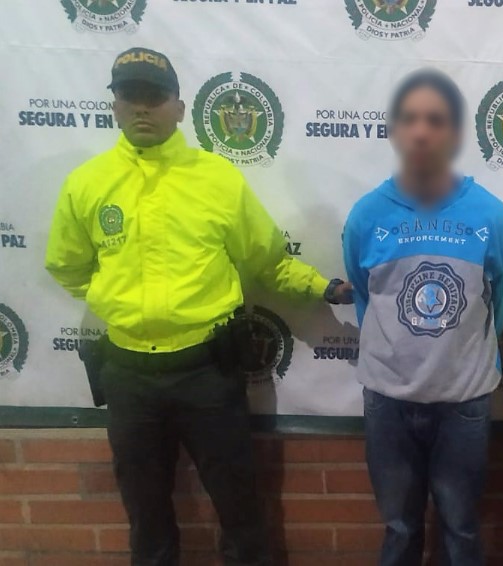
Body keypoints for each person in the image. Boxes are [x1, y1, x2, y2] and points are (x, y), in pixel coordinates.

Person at [44, 47, 352, 566]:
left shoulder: (218, 180)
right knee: (146, 516)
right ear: (114, 106)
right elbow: (66, 265)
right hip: (128, 376)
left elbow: (268, 261)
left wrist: (324, 288)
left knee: (240, 507)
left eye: (155, 96)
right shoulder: (86, 184)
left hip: (207, 374)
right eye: (130, 95)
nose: (142, 107)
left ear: (180, 108)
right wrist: (117, 299)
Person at [342, 69, 503, 566]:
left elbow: (501, 298)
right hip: (387, 401)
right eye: (410, 120)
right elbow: (364, 292)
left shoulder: (490, 215)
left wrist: (462, 357)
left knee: (461, 528)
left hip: (463, 402)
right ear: (395, 131)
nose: (422, 132)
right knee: (399, 528)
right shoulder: (367, 215)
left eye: (436, 120)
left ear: (456, 133)